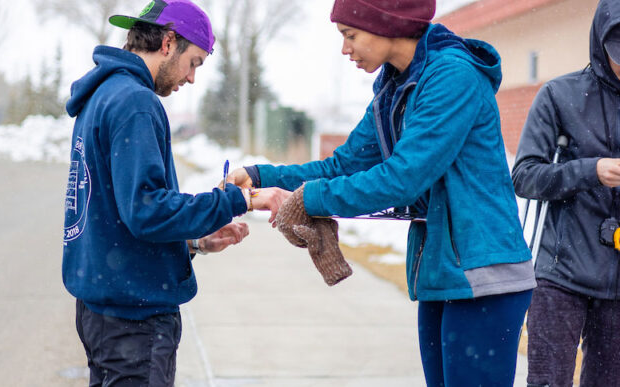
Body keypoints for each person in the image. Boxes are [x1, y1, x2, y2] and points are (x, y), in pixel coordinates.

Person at [228, 0, 536, 385]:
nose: (345, 49)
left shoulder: (452, 77)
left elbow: (403, 177)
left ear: (387, 23)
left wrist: (310, 198)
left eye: (350, 35)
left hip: (483, 272)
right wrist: (260, 176)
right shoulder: (396, 88)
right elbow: (342, 167)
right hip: (442, 269)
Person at [62, 0, 289, 385]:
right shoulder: (135, 102)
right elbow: (147, 209)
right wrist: (245, 199)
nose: (192, 78)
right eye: (195, 62)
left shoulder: (103, 95)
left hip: (103, 309)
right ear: (168, 42)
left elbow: (119, 215)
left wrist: (192, 243)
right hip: (135, 319)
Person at [512, 0, 620, 385]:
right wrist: (590, 170)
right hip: (561, 277)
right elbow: (524, 176)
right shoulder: (559, 95)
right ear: (600, 41)